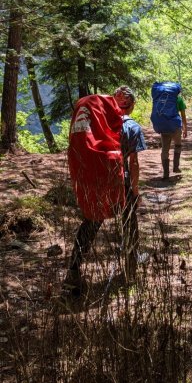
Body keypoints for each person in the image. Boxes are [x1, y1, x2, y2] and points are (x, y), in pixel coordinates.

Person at [64, 86, 146, 295]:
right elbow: (133, 163)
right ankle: (130, 270)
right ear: (130, 105)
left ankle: (73, 272)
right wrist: (135, 190)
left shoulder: (96, 122)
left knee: (91, 222)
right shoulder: (132, 127)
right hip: (122, 183)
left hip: (97, 181)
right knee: (129, 223)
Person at [160, 90, 188, 180]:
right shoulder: (179, 99)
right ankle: (176, 167)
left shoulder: (162, 99)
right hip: (176, 126)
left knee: (165, 149)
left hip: (164, 126)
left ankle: (166, 173)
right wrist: (185, 129)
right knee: (178, 145)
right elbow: (183, 116)